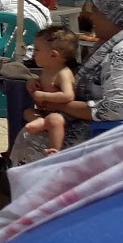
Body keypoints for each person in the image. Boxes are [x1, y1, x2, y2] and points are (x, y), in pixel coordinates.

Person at [10, 0, 123, 165]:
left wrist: (59, 104)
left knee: (37, 134)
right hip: (99, 128)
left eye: (97, 12)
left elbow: (118, 108)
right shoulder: (118, 42)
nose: (92, 18)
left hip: (108, 139)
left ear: (113, 15)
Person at [20, 26, 80, 154]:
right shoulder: (47, 69)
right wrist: (34, 82)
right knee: (27, 112)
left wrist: (43, 95)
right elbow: (42, 82)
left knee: (54, 121)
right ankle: (43, 122)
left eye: (37, 50)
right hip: (46, 111)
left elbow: (68, 95)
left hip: (64, 115)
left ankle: (54, 150)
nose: (33, 53)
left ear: (53, 55)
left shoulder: (63, 73)